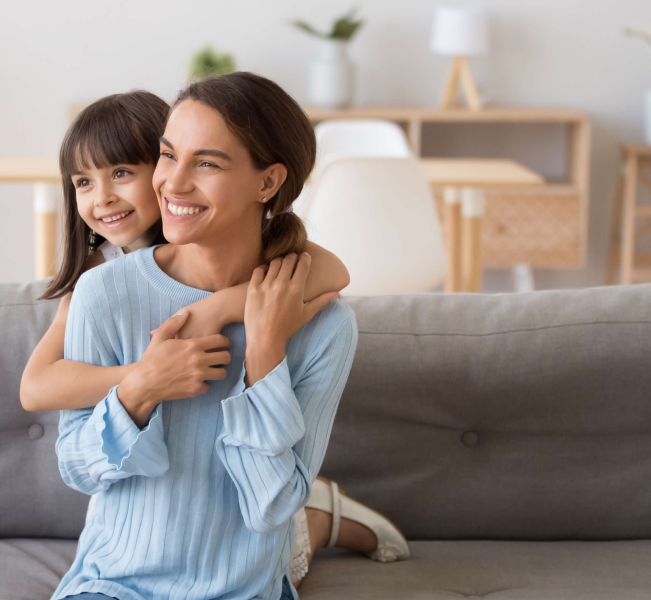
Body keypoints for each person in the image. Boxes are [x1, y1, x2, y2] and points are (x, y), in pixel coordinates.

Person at [21, 90, 408, 590]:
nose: (174, 183)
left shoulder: (324, 321)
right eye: (168, 155)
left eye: (206, 163)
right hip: (112, 582)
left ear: (268, 181)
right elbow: (71, 454)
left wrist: (263, 352)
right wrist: (144, 384)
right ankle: (313, 516)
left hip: (241, 584)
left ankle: (316, 517)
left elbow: (268, 507)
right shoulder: (99, 291)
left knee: (286, 519)